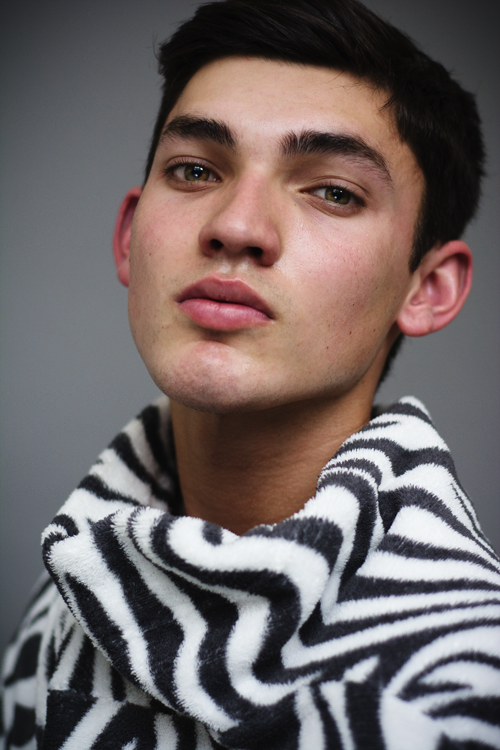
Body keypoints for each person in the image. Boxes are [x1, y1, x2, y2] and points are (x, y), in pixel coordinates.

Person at [2, 0, 499, 747]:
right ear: (130, 237)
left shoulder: (463, 687)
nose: (236, 226)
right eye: (195, 170)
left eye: (334, 191)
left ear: (427, 288)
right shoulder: (66, 605)